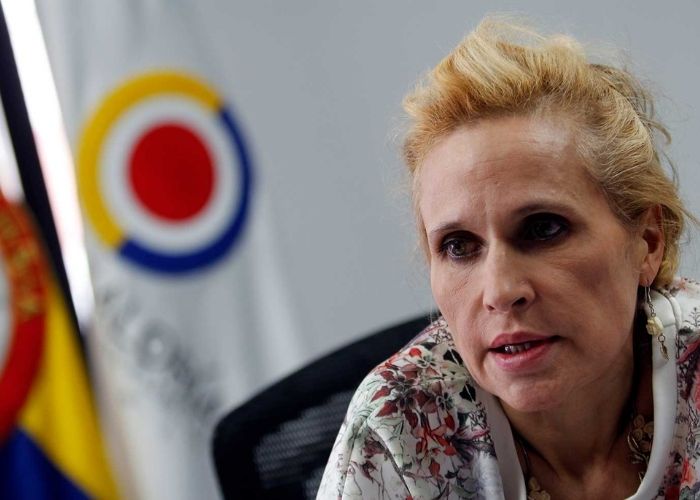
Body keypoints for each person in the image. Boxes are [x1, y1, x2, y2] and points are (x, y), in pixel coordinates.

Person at [317, 16, 700, 500]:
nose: (500, 291)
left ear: (648, 241)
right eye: (458, 246)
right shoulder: (398, 428)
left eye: (543, 229)